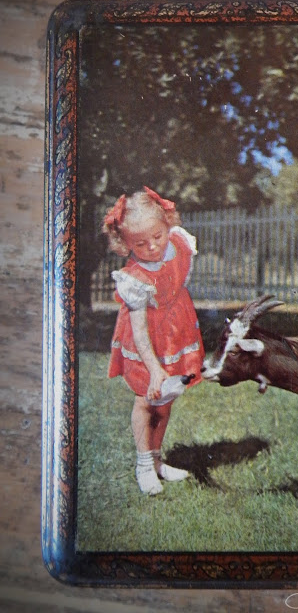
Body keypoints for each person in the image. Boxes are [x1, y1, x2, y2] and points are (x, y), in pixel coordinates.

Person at [103, 186, 205, 495]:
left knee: (166, 400)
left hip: (175, 332)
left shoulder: (180, 244)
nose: (151, 246)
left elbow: (178, 281)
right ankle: (144, 464)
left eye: (157, 236)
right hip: (145, 340)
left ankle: (158, 459)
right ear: (125, 244)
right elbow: (139, 331)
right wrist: (154, 368)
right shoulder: (135, 278)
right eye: (140, 243)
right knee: (146, 400)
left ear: (167, 225)